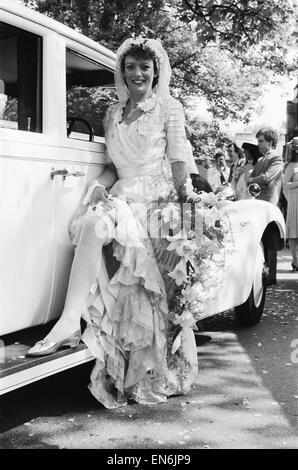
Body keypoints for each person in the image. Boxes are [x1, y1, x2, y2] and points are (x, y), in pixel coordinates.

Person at [28, 38, 206, 408]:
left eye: (144, 67)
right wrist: (95, 187)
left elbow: (178, 160)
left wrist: (186, 207)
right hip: (122, 195)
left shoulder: (169, 109)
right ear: (121, 72)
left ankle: (142, 370)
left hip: (155, 202)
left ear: (156, 71)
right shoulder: (112, 113)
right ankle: (67, 324)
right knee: (92, 224)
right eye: (130, 67)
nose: (137, 74)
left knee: (147, 298)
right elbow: (112, 165)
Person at [247, 127, 283, 285]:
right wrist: (253, 178)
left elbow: (267, 178)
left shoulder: (276, 157)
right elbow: (254, 176)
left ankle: (270, 276)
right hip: (258, 203)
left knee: (269, 238)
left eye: (261, 141)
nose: (259, 144)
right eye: (258, 141)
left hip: (269, 204)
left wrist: (252, 179)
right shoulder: (262, 159)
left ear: (271, 142)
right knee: (261, 237)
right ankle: (262, 273)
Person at [283, 137, 298, 270]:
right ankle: (295, 261)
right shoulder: (291, 166)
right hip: (295, 201)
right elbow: (285, 185)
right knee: (294, 233)